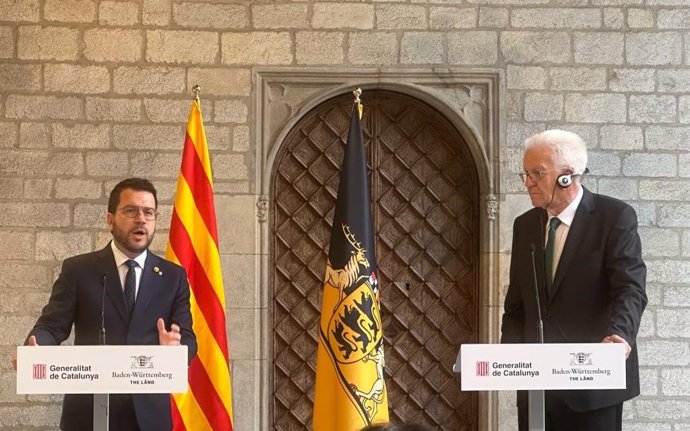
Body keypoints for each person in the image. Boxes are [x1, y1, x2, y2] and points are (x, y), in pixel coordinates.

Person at [13, 178, 197, 431]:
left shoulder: (173, 276)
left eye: (149, 212)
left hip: (148, 417)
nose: (141, 219)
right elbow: (51, 327)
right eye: (131, 211)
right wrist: (35, 348)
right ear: (110, 220)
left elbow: (188, 341)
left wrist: (175, 349)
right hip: (88, 412)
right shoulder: (79, 270)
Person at [501, 130, 647, 431]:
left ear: (567, 176)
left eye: (537, 174)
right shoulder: (525, 225)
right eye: (525, 174)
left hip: (591, 386)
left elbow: (630, 288)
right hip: (536, 385)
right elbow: (516, 303)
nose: (528, 182)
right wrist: (507, 359)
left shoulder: (614, 217)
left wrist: (619, 335)